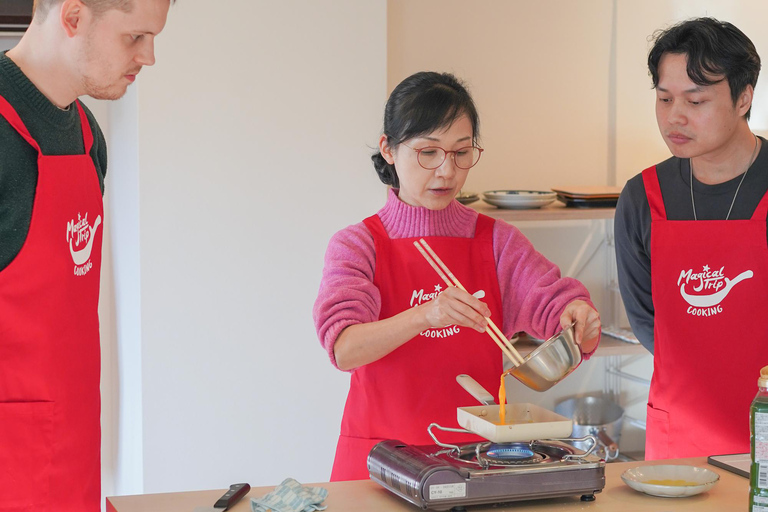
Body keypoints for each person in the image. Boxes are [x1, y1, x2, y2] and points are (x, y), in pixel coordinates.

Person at [313, 71, 601, 481]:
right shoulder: (358, 244)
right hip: (378, 461)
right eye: (428, 152)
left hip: (474, 461)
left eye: (461, 152)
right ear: (389, 149)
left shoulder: (497, 240)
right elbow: (344, 348)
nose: (447, 171)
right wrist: (424, 315)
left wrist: (577, 315)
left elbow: (551, 305)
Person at [0, 0, 172, 510]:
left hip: (69, 443)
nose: (149, 56)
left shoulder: (85, 135)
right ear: (73, 18)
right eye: (135, 37)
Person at [615, 17, 768, 460]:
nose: (674, 117)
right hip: (679, 435)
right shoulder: (641, 197)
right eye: (664, 99)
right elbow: (647, 318)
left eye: (695, 100)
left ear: (743, 98)